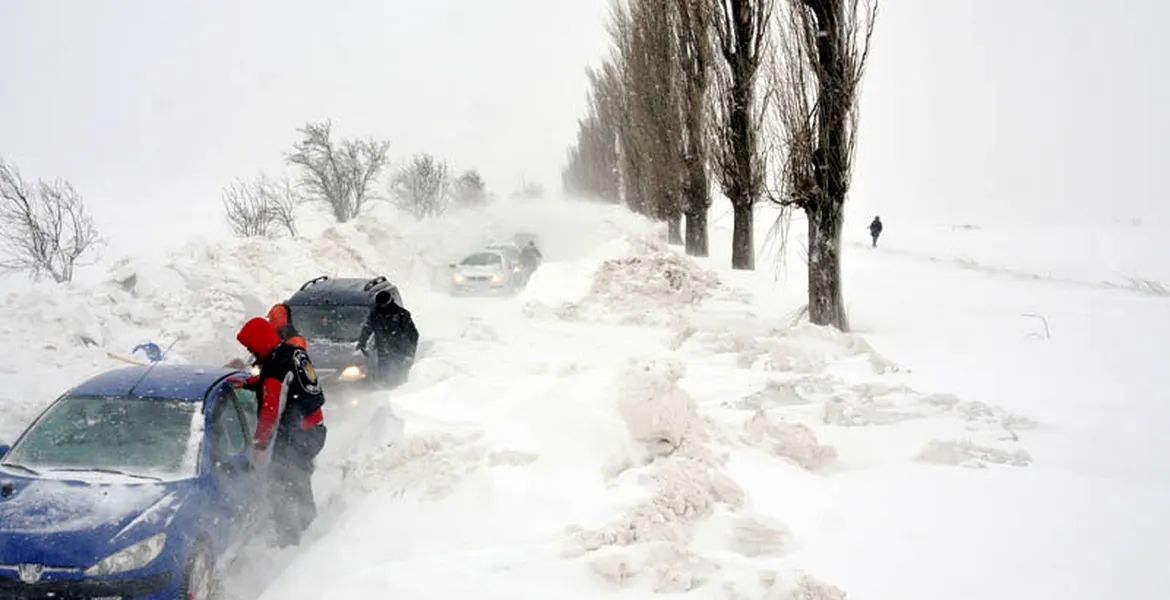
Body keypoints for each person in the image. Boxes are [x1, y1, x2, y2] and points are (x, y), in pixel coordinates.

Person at [232, 317, 326, 548]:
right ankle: (309, 525)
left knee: (281, 481)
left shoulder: (275, 366)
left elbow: (270, 411)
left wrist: (260, 445)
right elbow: (285, 381)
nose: (250, 352)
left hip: (299, 434)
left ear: (259, 342)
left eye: (250, 347)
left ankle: (289, 540)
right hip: (314, 428)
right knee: (299, 478)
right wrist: (253, 383)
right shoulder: (291, 351)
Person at [355, 290, 419, 388]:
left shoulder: (402, 315)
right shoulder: (375, 315)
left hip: (399, 353)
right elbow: (366, 329)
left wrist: (410, 354)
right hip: (383, 353)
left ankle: (397, 395)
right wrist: (361, 344)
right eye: (379, 305)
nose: (381, 307)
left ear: (389, 302)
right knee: (383, 379)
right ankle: (384, 395)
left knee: (397, 380)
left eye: (383, 305)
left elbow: (413, 335)